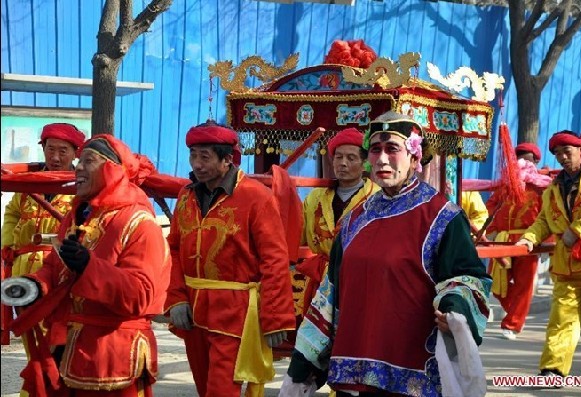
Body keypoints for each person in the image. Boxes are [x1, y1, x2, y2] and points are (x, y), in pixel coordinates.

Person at [284, 112, 492, 396]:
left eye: (392, 149)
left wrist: (455, 303)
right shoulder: (354, 220)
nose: (381, 159)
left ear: (415, 158)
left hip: (412, 374)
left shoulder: (442, 217)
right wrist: (303, 363)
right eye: (375, 150)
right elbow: (329, 295)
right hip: (353, 370)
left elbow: (468, 277)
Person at [1, 134, 172, 396]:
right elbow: (54, 267)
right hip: (69, 346)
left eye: (89, 161)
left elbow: (141, 295)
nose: (78, 167)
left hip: (111, 354)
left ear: (112, 170)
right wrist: (34, 284)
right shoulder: (79, 216)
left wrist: (89, 267)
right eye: (80, 160)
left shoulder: (140, 223)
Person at [165, 121, 296, 397]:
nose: (196, 164)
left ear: (227, 160)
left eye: (205, 156)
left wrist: (275, 317)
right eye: (193, 155)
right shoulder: (186, 195)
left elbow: (274, 259)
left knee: (221, 390)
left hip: (234, 312)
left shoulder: (255, 197)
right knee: (203, 385)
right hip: (193, 309)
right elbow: (174, 248)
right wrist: (176, 298)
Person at [1, 123, 85, 395]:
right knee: (31, 338)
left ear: (75, 153)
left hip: (59, 274)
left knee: (57, 340)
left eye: (63, 150)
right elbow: (12, 213)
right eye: (51, 149)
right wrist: (9, 241)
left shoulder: (80, 185)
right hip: (23, 270)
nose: (56, 157)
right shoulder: (28, 183)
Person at [516, 130, 581, 388]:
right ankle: (554, 369)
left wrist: (578, 230)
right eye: (558, 154)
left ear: (580, 150)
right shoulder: (552, 189)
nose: (563, 157)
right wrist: (529, 238)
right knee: (561, 318)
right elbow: (543, 220)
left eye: (567, 151)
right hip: (566, 264)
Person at [297, 128, 379, 317]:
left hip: (359, 280)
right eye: (338, 157)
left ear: (365, 163)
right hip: (320, 280)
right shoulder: (315, 198)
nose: (342, 163)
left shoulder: (376, 199)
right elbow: (298, 237)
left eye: (351, 158)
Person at [486, 143, 552, 340]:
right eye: (518, 157)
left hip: (527, 241)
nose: (522, 161)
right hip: (503, 240)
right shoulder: (506, 184)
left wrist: (546, 242)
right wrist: (492, 230)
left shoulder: (542, 186)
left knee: (524, 284)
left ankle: (513, 324)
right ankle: (515, 310)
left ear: (536, 161)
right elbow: (491, 206)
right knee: (495, 282)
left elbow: (548, 215)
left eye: (527, 157)